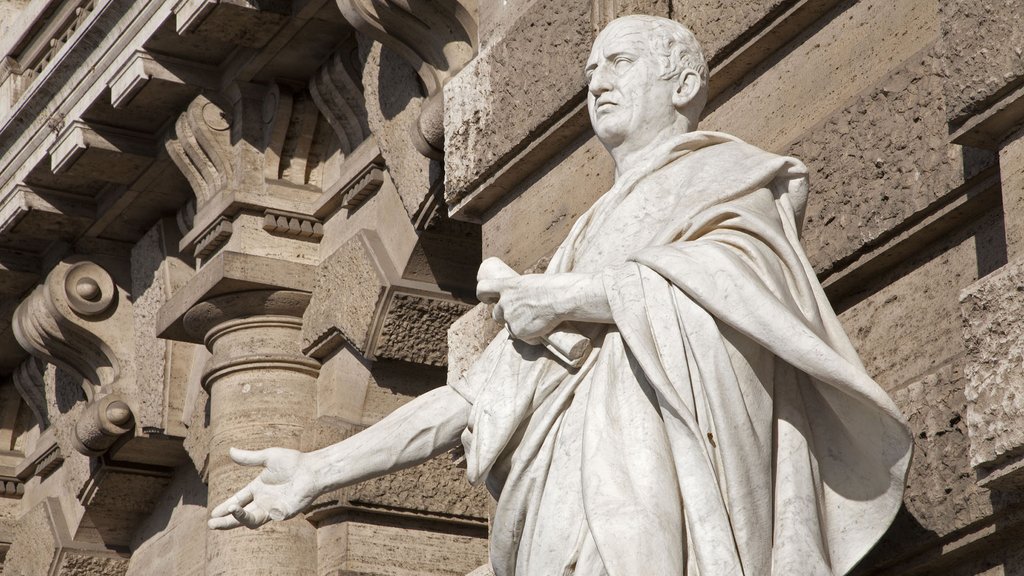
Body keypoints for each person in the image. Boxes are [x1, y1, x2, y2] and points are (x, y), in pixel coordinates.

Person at [209, 15, 913, 576]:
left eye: (620, 62)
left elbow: (747, 294)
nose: (596, 81)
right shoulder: (585, 231)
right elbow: (472, 399)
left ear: (684, 82)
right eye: (589, 69)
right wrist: (317, 470)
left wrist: (574, 298)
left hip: (659, 483)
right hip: (565, 499)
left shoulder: (727, 179)